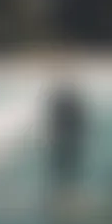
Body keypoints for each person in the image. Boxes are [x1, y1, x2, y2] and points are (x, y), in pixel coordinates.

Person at [46, 79, 89, 210]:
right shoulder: (66, 105)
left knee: (64, 171)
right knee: (66, 170)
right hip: (66, 143)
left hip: (65, 143)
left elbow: (56, 126)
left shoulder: (63, 104)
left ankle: (64, 196)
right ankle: (64, 197)